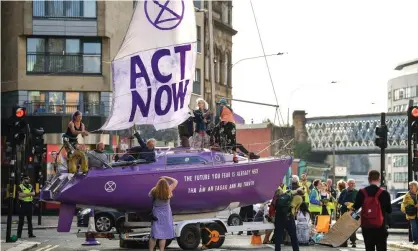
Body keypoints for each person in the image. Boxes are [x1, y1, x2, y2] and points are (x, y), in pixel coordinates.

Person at [352, 170, 391, 251]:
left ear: (368, 179)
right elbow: (389, 210)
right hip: (380, 226)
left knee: (369, 248)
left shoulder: (362, 192)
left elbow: (355, 207)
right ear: (379, 179)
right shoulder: (384, 193)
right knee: (382, 248)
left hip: (367, 226)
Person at [148, 176, 178, 251]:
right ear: (166, 184)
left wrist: (158, 186)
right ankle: (161, 250)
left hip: (156, 215)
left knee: (153, 235)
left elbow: (149, 195)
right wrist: (166, 177)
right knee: (163, 236)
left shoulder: (154, 191)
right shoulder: (168, 190)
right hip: (166, 215)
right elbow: (175, 181)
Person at [273, 187, 302, 251]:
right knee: (293, 236)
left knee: (278, 236)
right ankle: (296, 249)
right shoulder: (297, 198)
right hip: (288, 217)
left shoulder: (278, 199)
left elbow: (274, 208)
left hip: (278, 217)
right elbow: (295, 208)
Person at [338, 179, 358, 247]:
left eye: (353, 183)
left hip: (353, 211)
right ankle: (344, 242)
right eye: (350, 183)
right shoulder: (344, 191)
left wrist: (354, 206)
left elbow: (359, 202)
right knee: (344, 226)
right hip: (344, 211)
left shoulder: (356, 192)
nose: (352, 184)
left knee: (352, 226)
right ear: (347, 184)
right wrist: (344, 203)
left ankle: (353, 241)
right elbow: (339, 200)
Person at [401, 181, 418, 245]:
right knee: (414, 227)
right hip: (411, 214)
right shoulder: (407, 195)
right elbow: (403, 203)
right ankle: (416, 240)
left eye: (412, 187)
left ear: (416, 187)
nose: (410, 188)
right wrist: (404, 210)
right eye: (410, 187)